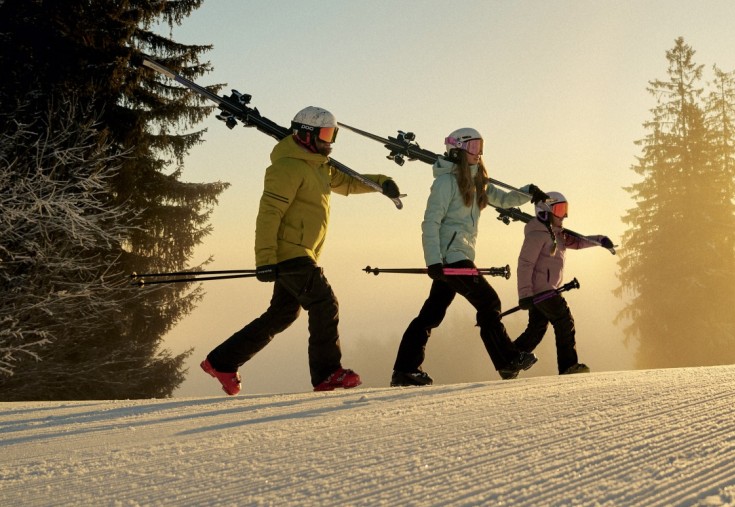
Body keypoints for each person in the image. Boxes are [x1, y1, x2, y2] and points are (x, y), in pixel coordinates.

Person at [200, 106, 401, 395]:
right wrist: (265, 259)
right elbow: (269, 213)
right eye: (325, 134)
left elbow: (346, 182)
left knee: (282, 314)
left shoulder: (317, 166)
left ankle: (222, 361)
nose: (330, 142)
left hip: (302, 251)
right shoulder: (287, 167)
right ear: (306, 134)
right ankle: (327, 373)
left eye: (333, 135)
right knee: (324, 303)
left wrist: (382, 183)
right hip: (289, 252)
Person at [390, 127, 546, 386]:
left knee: (431, 314)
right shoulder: (445, 182)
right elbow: (431, 222)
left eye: (481, 147)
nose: (479, 153)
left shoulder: (476, 182)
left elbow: (504, 200)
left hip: (456, 255)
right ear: (458, 150)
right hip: (452, 258)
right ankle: (507, 361)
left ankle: (405, 369)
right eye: (473, 147)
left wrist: (528, 192)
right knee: (489, 302)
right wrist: (433, 262)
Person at [510, 192, 612, 375]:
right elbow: (525, 264)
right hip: (542, 290)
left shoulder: (558, 235)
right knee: (564, 320)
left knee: (536, 329)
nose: (564, 215)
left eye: (565, 210)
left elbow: (579, 242)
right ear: (545, 211)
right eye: (559, 209)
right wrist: (524, 294)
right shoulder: (537, 234)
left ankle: (509, 360)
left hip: (544, 291)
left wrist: (599, 240)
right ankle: (568, 367)